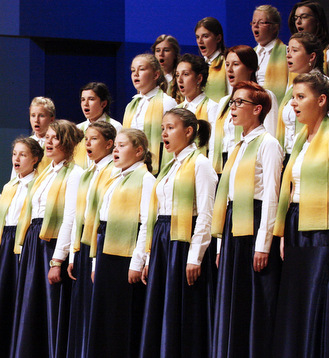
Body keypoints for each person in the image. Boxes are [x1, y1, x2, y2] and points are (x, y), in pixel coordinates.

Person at [273, 72, 329, 358]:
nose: (294, 104)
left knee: (319, 299)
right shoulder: (299, 140)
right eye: (293, 97)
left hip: (326, 230)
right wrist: (285, 231)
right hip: (298, 226)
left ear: (321, 100)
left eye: (301, 97)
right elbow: (292, 188)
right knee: (298, 302)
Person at [211, 81, 283, 358]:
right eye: (232, 102)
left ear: (258, 109)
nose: (233, 107)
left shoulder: (268, 144)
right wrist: (220, 247)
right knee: (233, 299)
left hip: (253, 225)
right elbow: (226, 195)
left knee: (253, 300)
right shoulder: (238, 145)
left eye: (239, 102)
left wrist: (263, 244)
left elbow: (271, 198)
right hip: (233, 225)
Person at [140, 108, 217, 357]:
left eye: (170, 127)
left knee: (182, 309)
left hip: (183, 243)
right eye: (162, 128)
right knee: (161, 307)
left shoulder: (201, 164)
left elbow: (206, 213)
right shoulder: (168, 167)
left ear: (189, 131)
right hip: (164, 240)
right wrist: (149, 257)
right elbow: (158, 212)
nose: (164, 133)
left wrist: (195, 256)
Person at [11, 119, 84, 358]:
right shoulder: (44, 173)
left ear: (68, 142)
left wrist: (57, 259)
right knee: (30, 307)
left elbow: (70, 218)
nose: (49, 142)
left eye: (55, 138)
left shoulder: (75, 174)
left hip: (51, 246)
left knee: (50, 307)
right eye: (48, 137)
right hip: (35, 242)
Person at [86, 128, 155, 358]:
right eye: (115, 145)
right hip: (107, 250)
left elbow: (147, 223)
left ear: (138, 151)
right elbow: (100, 221)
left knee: (122, 317)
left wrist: (137, 261)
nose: (116, 150)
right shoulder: (115, 178)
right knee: (105, 316)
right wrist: (96, 263)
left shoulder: (145, 179)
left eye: (122, 146)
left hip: (125, 256)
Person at [0, 138, 42, 358]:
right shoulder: (8, 187)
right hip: (5, 243)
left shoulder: (39, 183)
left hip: (23, 242)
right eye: (15, 154)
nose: (17, 158)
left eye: (23, 154)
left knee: (20, 299)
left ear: (35, 159)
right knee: (3, 299)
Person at [66, 121, 117, 358]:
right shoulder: (88, 173)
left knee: (98, 308)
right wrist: (74, 252)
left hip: (100, 243)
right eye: (86, 139)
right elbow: (79, 214)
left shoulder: (114, 172)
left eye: (94, 139)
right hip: (84, 245)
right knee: (83, 307)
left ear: (109, 144)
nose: (88, 143)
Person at [210, 45, 279, 174]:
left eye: (236, 64)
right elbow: (215, 140)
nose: (230, 70)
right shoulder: (224, 101)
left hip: (248, 164)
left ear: (250, 68)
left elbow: (270, 134)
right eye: (227, 64)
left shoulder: (265, 96)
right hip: (223, 164)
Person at [277, 33, 329, 159]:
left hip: (313, 154)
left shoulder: (324, 84)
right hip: (289, 155)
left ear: (312, 56)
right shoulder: (292, 88)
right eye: (288, 50)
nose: (288, 55)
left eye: (295, 50)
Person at [123, 53, 178, 174]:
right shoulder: (131, 105)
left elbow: (175, 140)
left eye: (141, 69)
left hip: (156, 167)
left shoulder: (167, 102)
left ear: (156, 75)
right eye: (133, 70)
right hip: (132, 166)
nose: (136, 74)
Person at [288, 0, 329, 84]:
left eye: (304, 17)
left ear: (317, 21)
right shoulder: (291, 54)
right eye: (296, 18)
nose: (298, 22)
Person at [74, 82, 122, 168]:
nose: (85, 103)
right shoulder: (77, 129)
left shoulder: (115, 127)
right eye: (83, 99)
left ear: (103, 104)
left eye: (91, 99)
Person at [252, 4, 289, 104]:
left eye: (261, 22)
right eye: (254, 22)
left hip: (276, 107)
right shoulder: (251, 53)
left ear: (274, 27)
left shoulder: (287, 52)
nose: (255, 26)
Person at [175, 53, 219, 128]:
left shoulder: (212, 108)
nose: (179, 80)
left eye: (185, 74)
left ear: (199, 78)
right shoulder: (176, 110)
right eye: (177, 75)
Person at [195, 17, 229, 102]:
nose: (200, 41)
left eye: (205, 36)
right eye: (197, 37)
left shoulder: (227, 62)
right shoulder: (198, 65)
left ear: (218, 38)